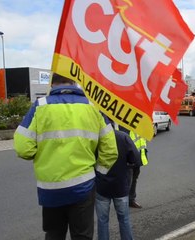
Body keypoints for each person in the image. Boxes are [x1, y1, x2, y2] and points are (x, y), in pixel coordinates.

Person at [13, 73, 118, 240]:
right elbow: (111, 150)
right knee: (82, 236)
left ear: (52, 84)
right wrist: (98, 173)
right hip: (84, 186)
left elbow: (22, 148)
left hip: (50, 188)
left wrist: (42, 154)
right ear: (74, 83)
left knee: (54, 234)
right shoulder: (92, 107)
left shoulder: (40, 106)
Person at [95, 120, 141, 240]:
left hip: (101, 186)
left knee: (102, 220)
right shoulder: (123, 137)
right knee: (124, 219)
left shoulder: (97, 138)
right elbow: (136, 159)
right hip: (120, 186)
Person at [118, 126, 148, 209]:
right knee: (127, 180)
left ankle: (131, 199)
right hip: (128, 158)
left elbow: (142, 140)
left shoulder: (139, 123)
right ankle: (123, 202)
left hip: (137, 157)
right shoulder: (124, 125)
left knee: (134, 179)